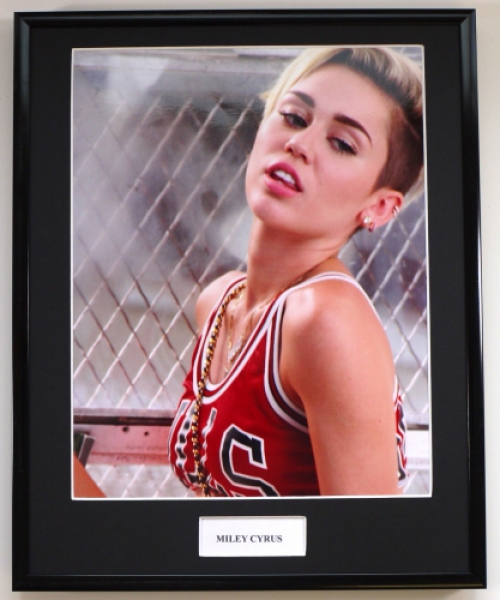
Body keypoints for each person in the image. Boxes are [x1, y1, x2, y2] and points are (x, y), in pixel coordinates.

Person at [167, 47, 424, 497]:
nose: (299, 144)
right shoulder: (218, 301)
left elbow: (369, 539)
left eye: (342, 143)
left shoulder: (324, 320)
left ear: (381, 206)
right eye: (293, 117)